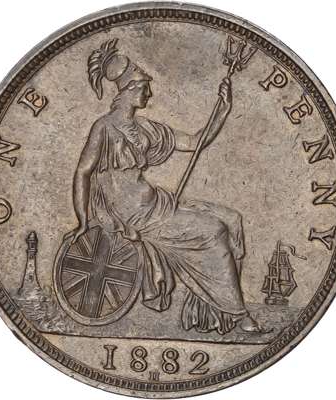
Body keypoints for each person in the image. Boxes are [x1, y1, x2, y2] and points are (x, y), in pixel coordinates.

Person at [70, 39, 259, 334]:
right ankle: (237, 314)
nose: (150, 93)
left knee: (232, 219)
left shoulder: (146, 128)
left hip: (157, 204)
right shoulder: (103, 127)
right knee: (214, 231)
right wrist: (83, 220)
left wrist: (223, 109)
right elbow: (83, 172)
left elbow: (195, 142)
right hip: (134, 216)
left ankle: (209, 311)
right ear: (130, 89)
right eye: (145, 87)